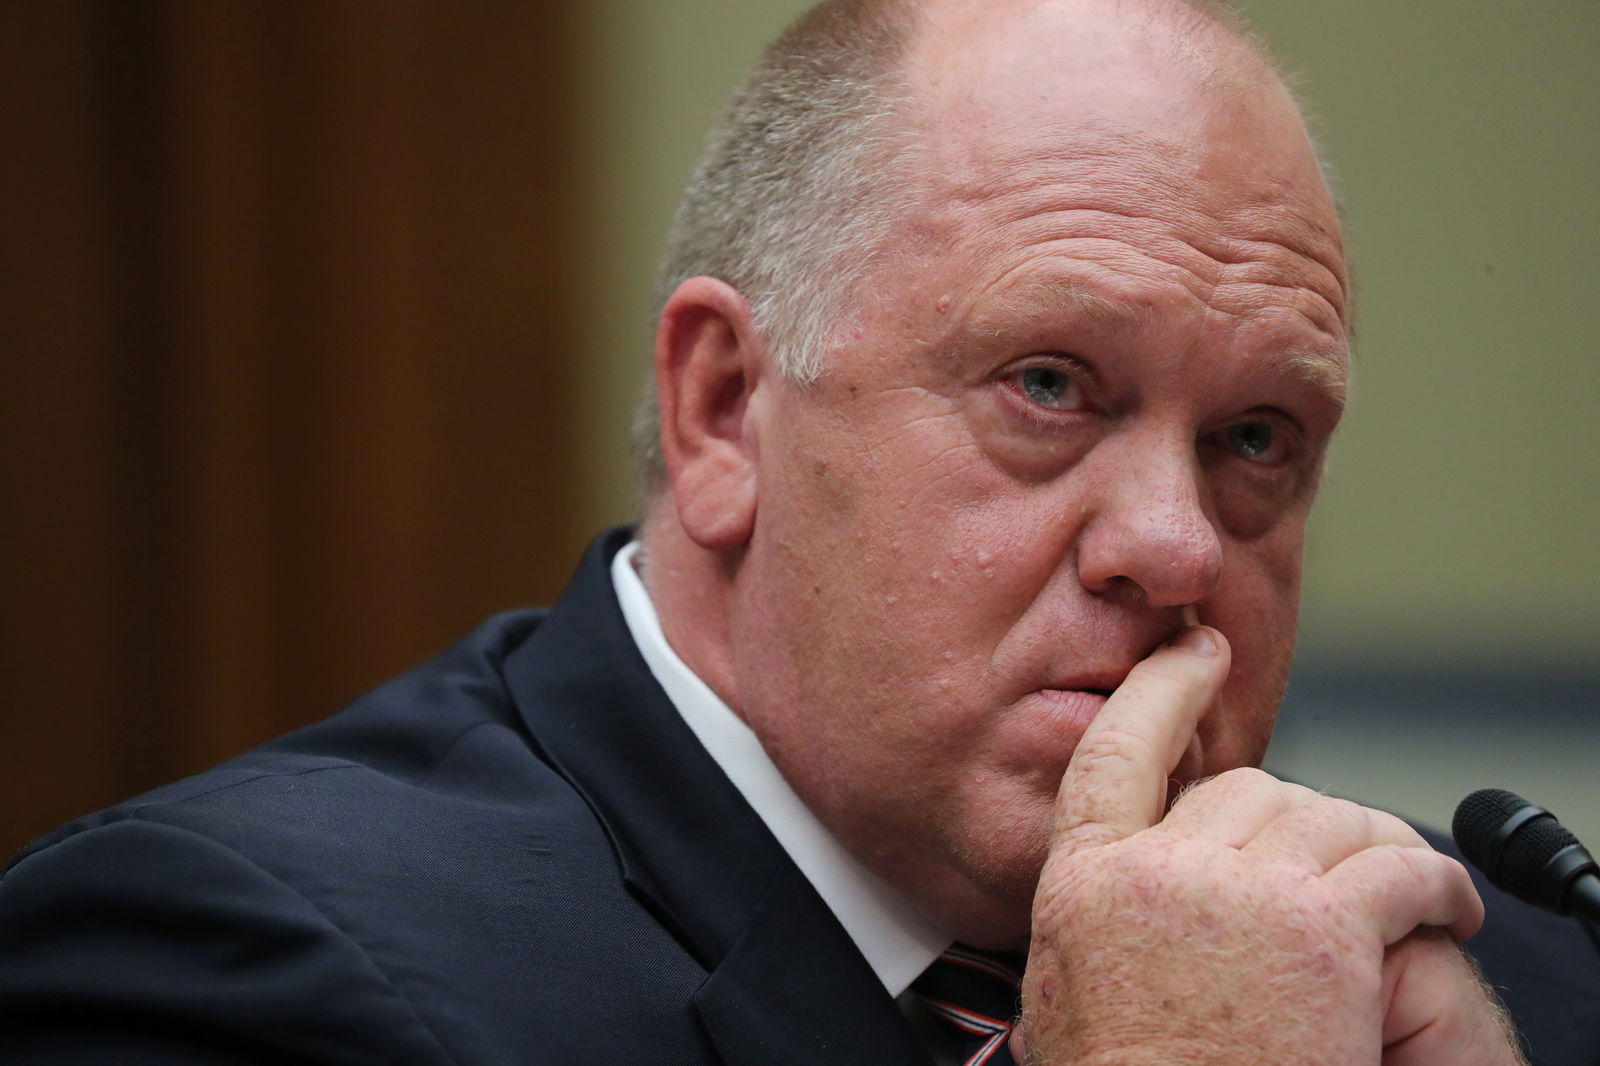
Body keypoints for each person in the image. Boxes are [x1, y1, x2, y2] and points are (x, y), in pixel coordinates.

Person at [2, 0, 1596, 1063]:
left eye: (1255, 439)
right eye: (1048, 385)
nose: (1177, 548)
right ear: (721, 412)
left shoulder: (1498, 973)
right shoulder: (234, 965)